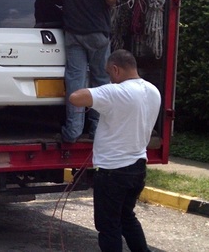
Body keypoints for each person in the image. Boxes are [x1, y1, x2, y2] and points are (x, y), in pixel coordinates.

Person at [69, 49, 161, 252]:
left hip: (113, 171)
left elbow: (76, 97)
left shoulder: (114, 92)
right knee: (127, 217)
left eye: (109, 73)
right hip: (137, 167)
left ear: (116, 69)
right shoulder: (153, 91)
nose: (109, 77)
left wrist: (102, 88)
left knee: (108, 226)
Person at [56, 0, 128, 143]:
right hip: (96, 33)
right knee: (101, 81)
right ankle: (97, 130)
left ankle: (73, 132)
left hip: (72, 33)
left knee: (75, 82)